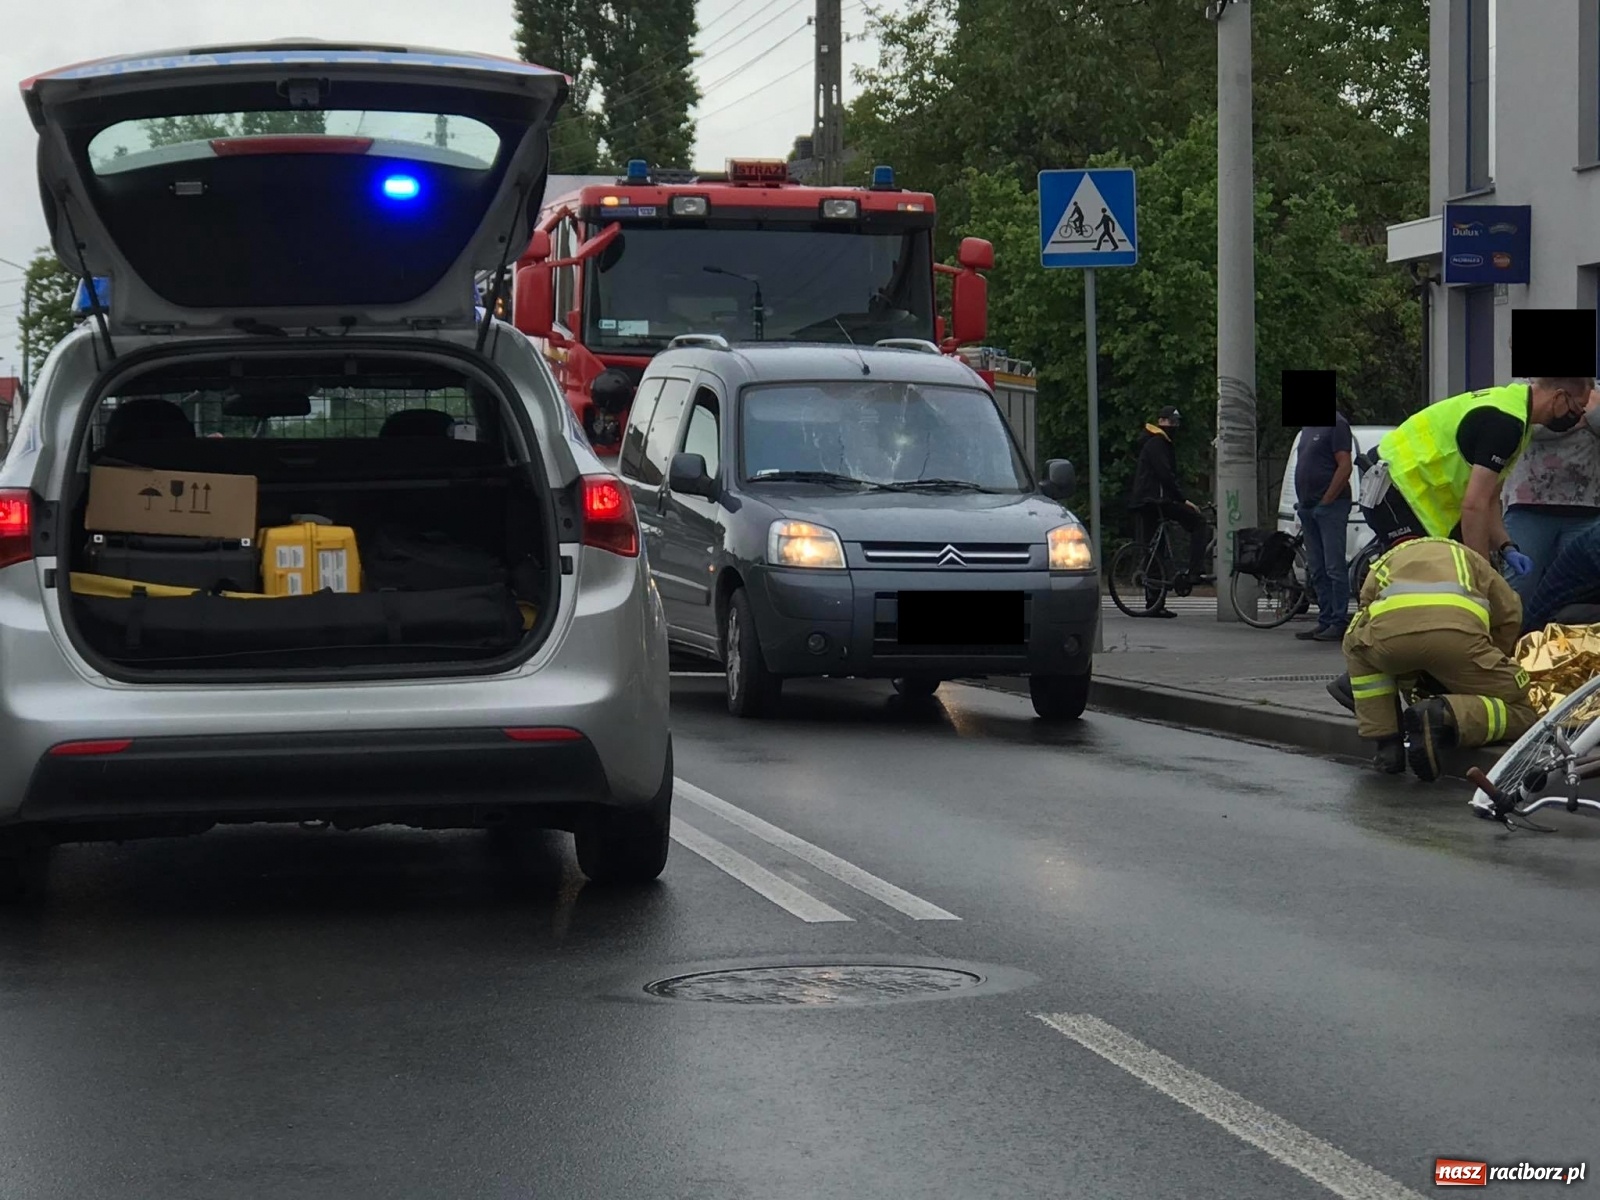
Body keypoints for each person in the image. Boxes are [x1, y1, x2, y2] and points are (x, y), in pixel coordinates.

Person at [1338, 533, 1534, 781]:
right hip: (1459, 641)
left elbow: (1365, 611)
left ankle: (1388, 744)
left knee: (1357, 643)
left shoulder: (1385, 560)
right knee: (1523, 708)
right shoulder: (1471, 557)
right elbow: (1510, 611)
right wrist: (1492, 655)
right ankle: (1443, 715)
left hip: (1391, 645)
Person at [1358, 377, 1593, 571]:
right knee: (1423, 581)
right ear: (1559, 397)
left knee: (1444, 578)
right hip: (1394, 490)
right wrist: (1481, 575)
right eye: (1577, 409)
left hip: (1406, 493)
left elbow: (1490, 498)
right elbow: (1474, 506)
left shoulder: (1518, 416)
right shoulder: (1505, 423)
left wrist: (1505, 546)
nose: (1578, 418)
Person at [1498, 390, 1600, 602]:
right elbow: (1532, 427)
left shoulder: (1590, 386)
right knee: (1516, 588)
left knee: (1582, 592)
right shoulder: (1527, 386)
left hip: (1589, 509)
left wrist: (1570, 416)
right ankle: (1509, 634)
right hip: (1528, 506)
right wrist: (1584, 419)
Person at [1130, 406, 1211, 616]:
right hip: (1156, 500)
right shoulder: (1158, 443)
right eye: (1171, 422)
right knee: (1198, 522)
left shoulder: (1155, 441)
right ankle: (1195, 572)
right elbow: (1165, 476)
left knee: (1156, 549)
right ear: (1161, 421)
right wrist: (1183, 500)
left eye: (1176, 422)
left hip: (1148, 501)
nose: (1174, 426)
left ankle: (1154, 603)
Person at [1293, 409, 1354, 642]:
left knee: (1333, 567)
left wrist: (1327, 499)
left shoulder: (1337, 424)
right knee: (1317, 568)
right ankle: (1326, 619)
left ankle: (1338, 621)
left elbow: (1344, 465)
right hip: (1309, 506)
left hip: (1331, 506)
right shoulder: (1307, 429)